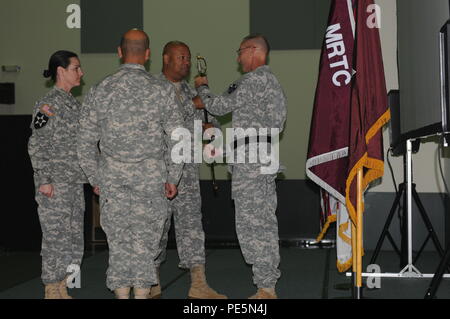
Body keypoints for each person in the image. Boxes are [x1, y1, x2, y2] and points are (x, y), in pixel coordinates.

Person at [77, 30, 185, 299]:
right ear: (148, 55)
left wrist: (95, 177)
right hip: (151, 179)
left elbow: (84, 142)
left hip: (113, 178)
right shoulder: (162, 90)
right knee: (146, 246)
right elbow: (179, 138)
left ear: (119, 52)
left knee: (119, 245)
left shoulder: (102, 89)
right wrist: (173, 176)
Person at [194, 34, 287, 299]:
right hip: (260, 158)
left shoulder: (252, 80)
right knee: (261, 222)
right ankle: (266, 285)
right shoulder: (271, 82)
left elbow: (217, 105)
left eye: (239, 52)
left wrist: (203, 86)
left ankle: (266, 288)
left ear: (253, 50)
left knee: (254, 224)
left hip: (251, 164)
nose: (238, 58)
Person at [151, 41, 226, 299]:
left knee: (192, 227)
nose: (186, 62)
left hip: (188, 174)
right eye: (181, 57)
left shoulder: (190, 92)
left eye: (188, 58)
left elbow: (211, 123)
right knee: (156, 227)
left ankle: (199, 284)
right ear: (166, 59)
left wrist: (210, 130)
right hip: (159, 173)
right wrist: (192, 104)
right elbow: (158, 124)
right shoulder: (152, 89)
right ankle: (151, 281)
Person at [28, 50, 87, 299]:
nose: (81, 72)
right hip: (55, 185)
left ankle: (62, 287)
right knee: (55, 239)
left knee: (73, 239)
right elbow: (37, 144)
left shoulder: (74, 104)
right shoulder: (48, 105)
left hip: (73, 184)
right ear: (61, 71)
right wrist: (44, 180)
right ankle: (52, 289)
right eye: (76, 68)